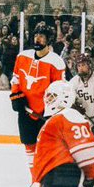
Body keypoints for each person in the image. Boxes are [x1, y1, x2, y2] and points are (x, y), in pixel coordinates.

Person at [9, 22, 66, 171]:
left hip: (45, 113)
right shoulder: (22, 56)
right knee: (29, 145)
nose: (37, 39)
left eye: (41, 36)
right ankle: (34, 179)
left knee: (45, 147)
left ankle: (44, 178)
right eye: (36, 35)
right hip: (26, 110)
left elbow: (59, 89)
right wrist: (15, 95)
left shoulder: (56, 62)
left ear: (49, 40)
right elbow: (15, 79)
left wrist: (53, 111)